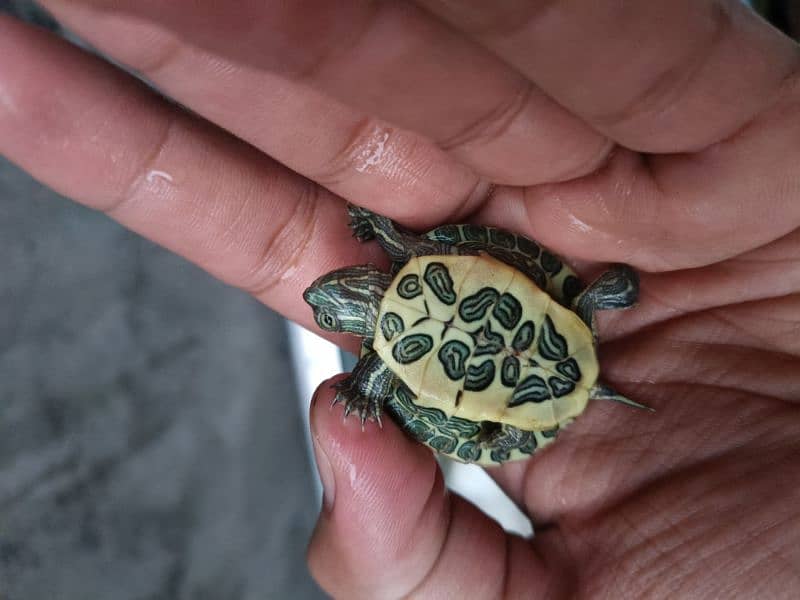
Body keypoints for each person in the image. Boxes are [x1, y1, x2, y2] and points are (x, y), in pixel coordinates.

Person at [0, 1, 798, 597]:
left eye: (338, 299)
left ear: (362, 304)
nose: (330, 294)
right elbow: (459, 275)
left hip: (515, 346)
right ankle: (594, 307)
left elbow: (393, 359)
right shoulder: (405, 278)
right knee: (559, 302)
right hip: (530, 330)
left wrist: (369, 386)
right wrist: (369, 368)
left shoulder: (393, 323)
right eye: (336, 299)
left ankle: (590, 310)